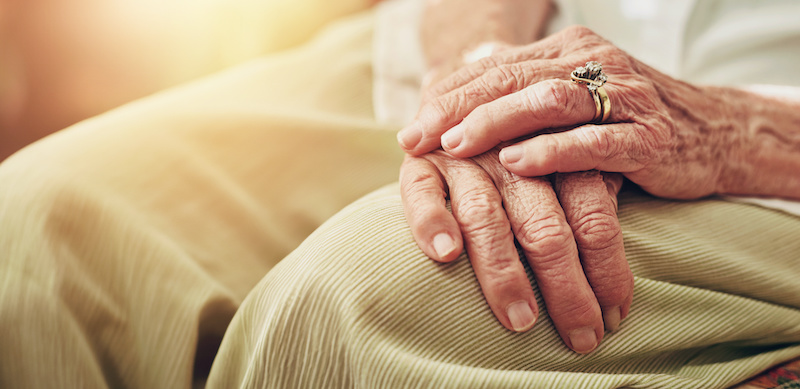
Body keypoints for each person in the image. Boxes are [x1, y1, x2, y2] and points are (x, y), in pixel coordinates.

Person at [0, 0, 798, 388]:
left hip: (767, 139)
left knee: (360, 299)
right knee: (36, 225)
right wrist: (480, 79)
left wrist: (735, 129)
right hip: (496, 44)